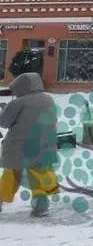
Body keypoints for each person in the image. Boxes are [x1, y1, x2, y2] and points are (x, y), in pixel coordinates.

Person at [0, 72, 59, 217]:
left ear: (21, 87)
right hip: (43, 144)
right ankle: (41, 206)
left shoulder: (18, 103)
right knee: (39, 174)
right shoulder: (48, 99)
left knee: (11, 175)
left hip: (18, 146)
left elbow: (4, 122)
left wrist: (3, 109)